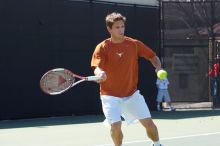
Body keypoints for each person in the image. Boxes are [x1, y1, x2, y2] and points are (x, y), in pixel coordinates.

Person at [91, 12, 163, 146]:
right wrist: (100, 73)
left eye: (122, 26)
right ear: (109, 29)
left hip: (131, 93)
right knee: (116, 126)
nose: (121, 30)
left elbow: (153, 56)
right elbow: (97, 67)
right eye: (117, 27)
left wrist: (158, 68)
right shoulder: (102, 47)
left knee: (149, 124)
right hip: (109, 95)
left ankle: (157, 144)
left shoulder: (134, 44)